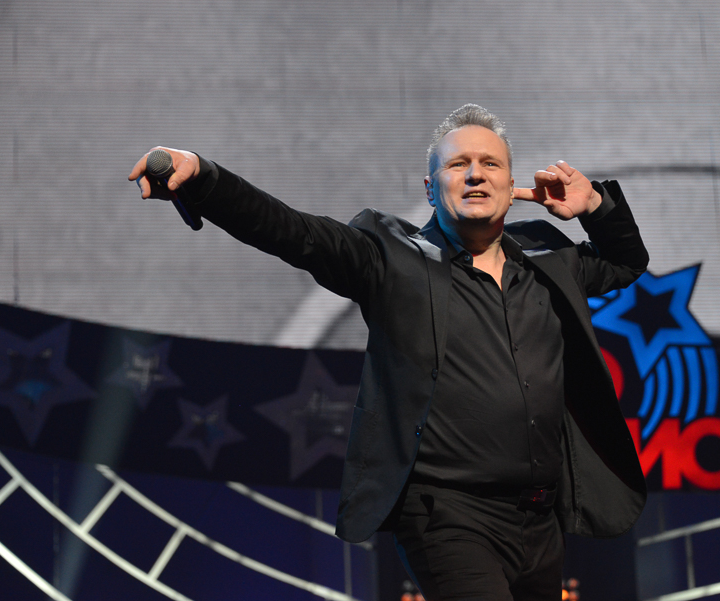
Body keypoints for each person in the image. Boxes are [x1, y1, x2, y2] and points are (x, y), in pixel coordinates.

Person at [129, 104, 648, 600]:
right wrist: (205, 177)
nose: (475, 174)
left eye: (491, 164)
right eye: (458, 164)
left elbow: (626, 262)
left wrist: (595, 206)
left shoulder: (548, 256)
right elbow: (291, 231)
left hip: (539, 517)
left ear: (512, 187)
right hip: (448, 514)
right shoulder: (390, 257)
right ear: (430, 188)